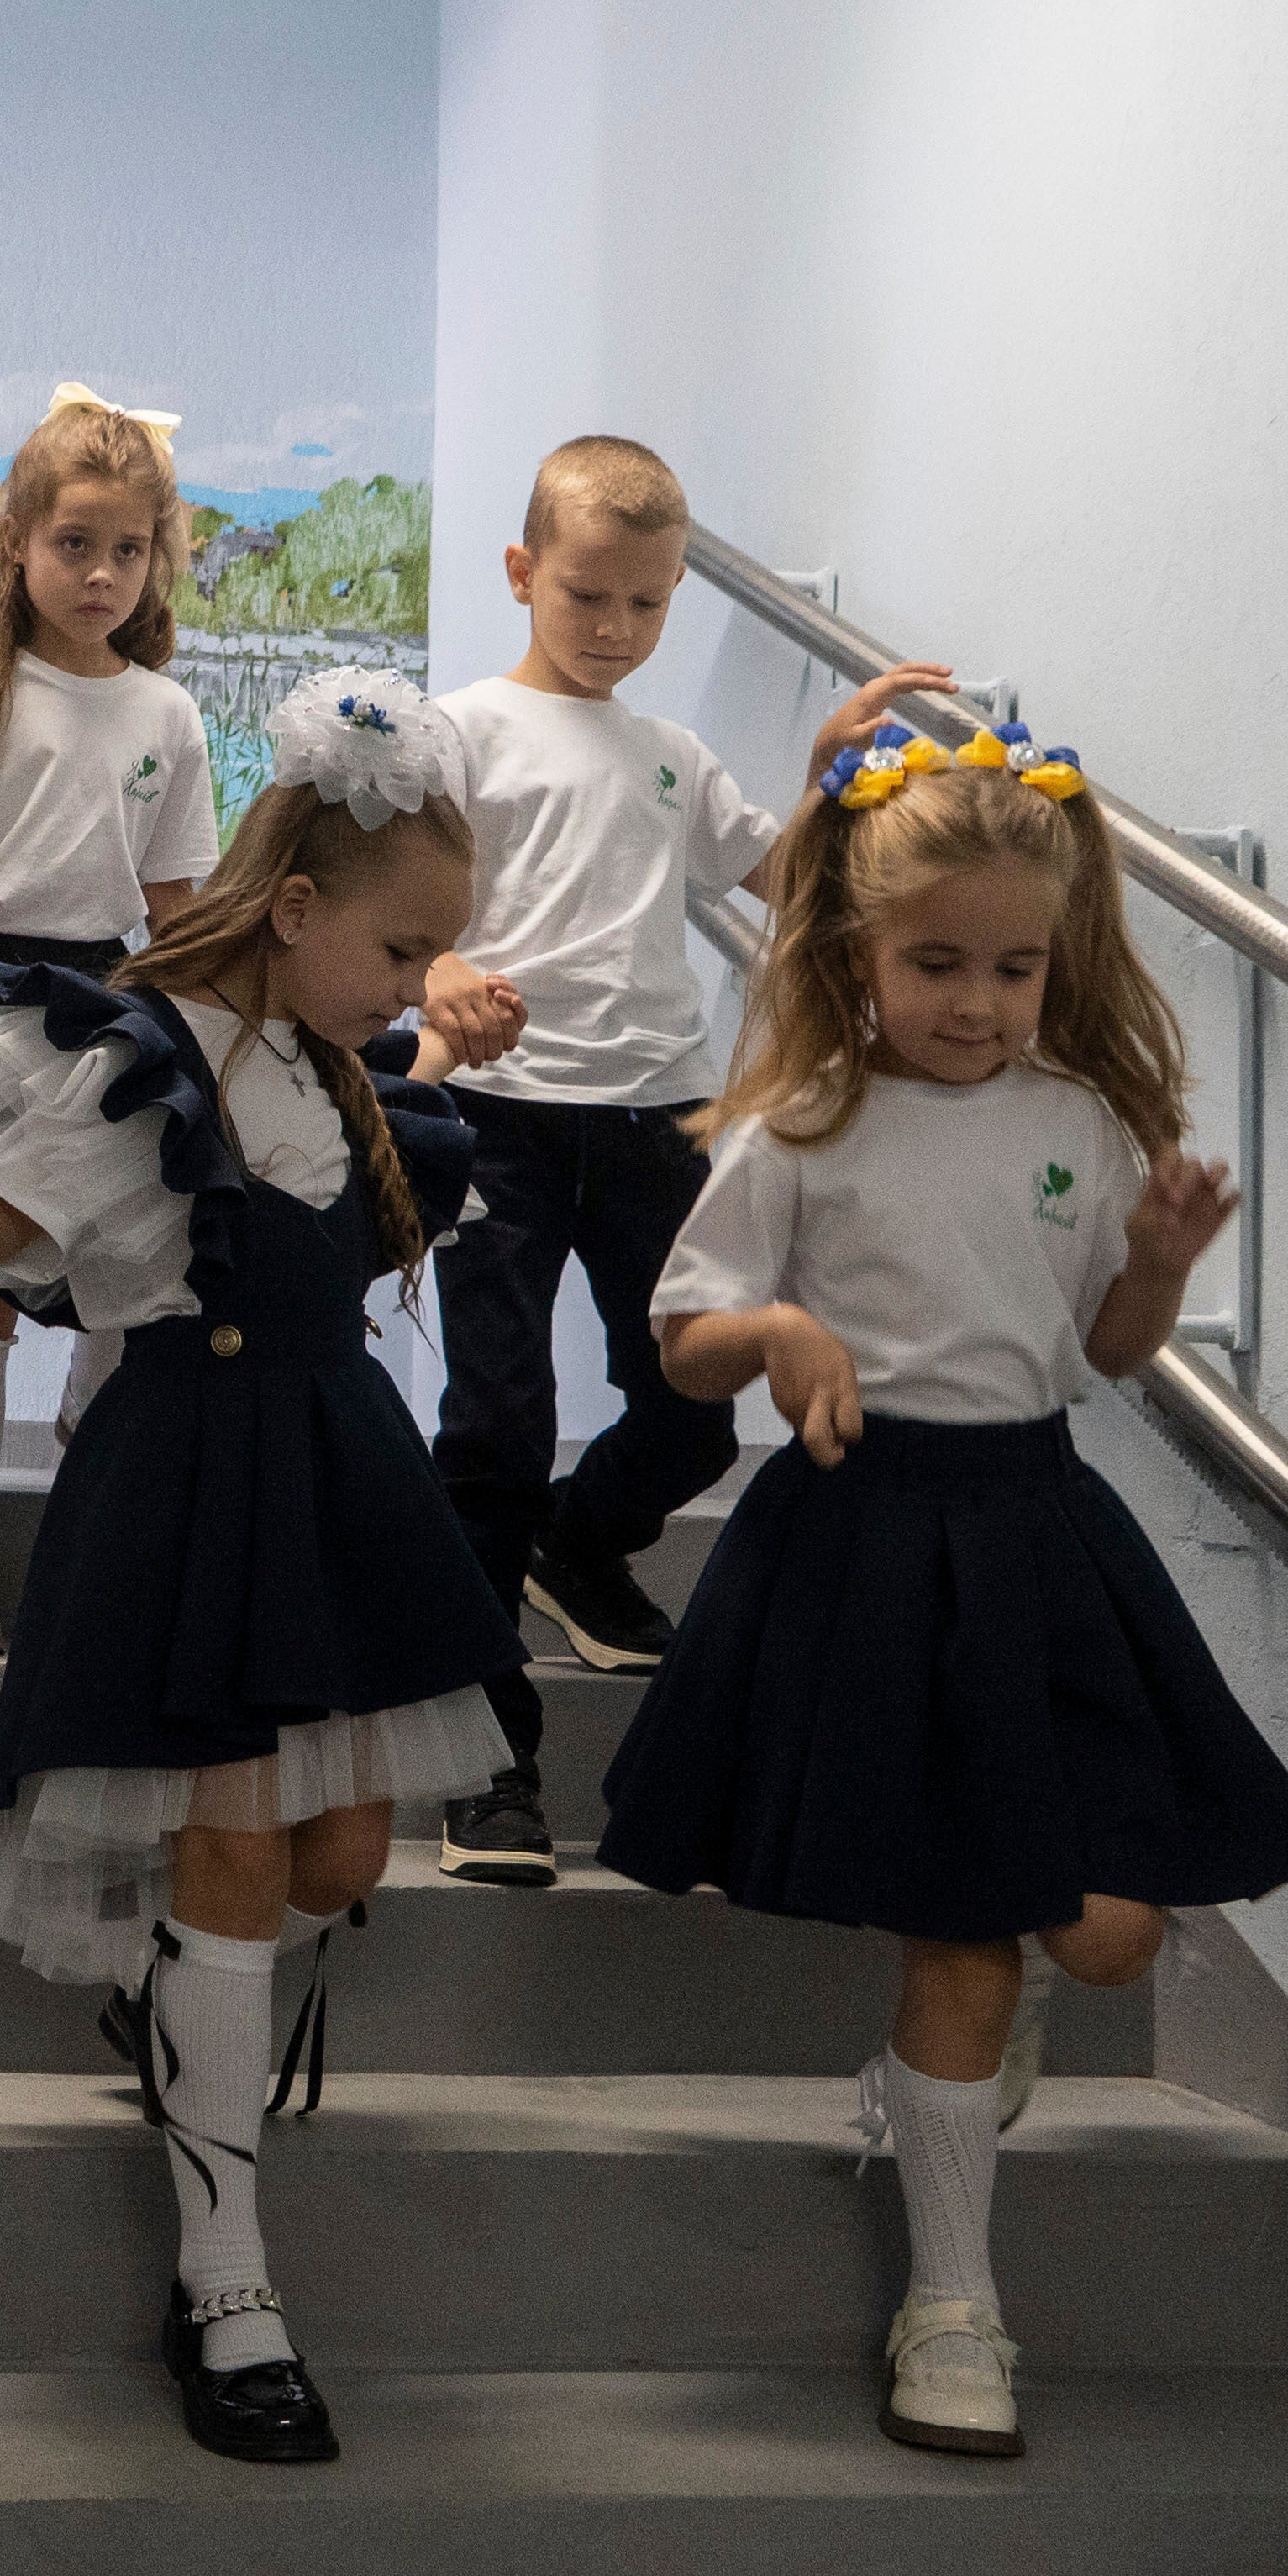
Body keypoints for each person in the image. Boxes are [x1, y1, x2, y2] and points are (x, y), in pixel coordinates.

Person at [0, 671, 517, 2466]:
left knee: (335, 1845)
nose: (412, 981)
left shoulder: (342, 1072)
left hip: (332, 1476)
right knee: (235, 1830)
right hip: (190, 1474)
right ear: (292, 910)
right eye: (399, 945)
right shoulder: (143, 1050)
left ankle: (191, 2004)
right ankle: (225, 2268)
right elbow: (15, 1221)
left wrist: (422, 1031)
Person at [594, 717, 1288, 2465]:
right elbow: (684, 1341)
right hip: (857, 1539)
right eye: (935, 961)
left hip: (1033, 1536)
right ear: (848, 950)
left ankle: (946, 2080)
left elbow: (1097, 1348)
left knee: (1110, 1929)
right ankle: (950, 2299)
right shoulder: (797, 1126)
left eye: (1013, 966)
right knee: (957, 1933)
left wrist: (1151, 1267)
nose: (977, 999)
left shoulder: (1076, 1116)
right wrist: (778, 1330)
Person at [414, 436, 949, 1886]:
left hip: (658, 1114)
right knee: (496, 1425)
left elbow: (789, 885)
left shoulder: (673, 759)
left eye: (646, 605)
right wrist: (440, 966)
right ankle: (487, 1764)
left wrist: (836, 777)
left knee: (692, 1405)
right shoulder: (457, 734)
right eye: (587, 594)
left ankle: (582, 1548)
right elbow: (388, 905)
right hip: (500, 1121)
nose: (614, 627)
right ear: (522, 574)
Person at [0, 388, 221, 1651]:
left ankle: (83, 1545)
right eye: (74, 543)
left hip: (106, 998)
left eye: (127, 550)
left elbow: (177, 901)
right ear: (16, 540)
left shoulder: (164, 715)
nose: (100, 573)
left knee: (123, 1281)